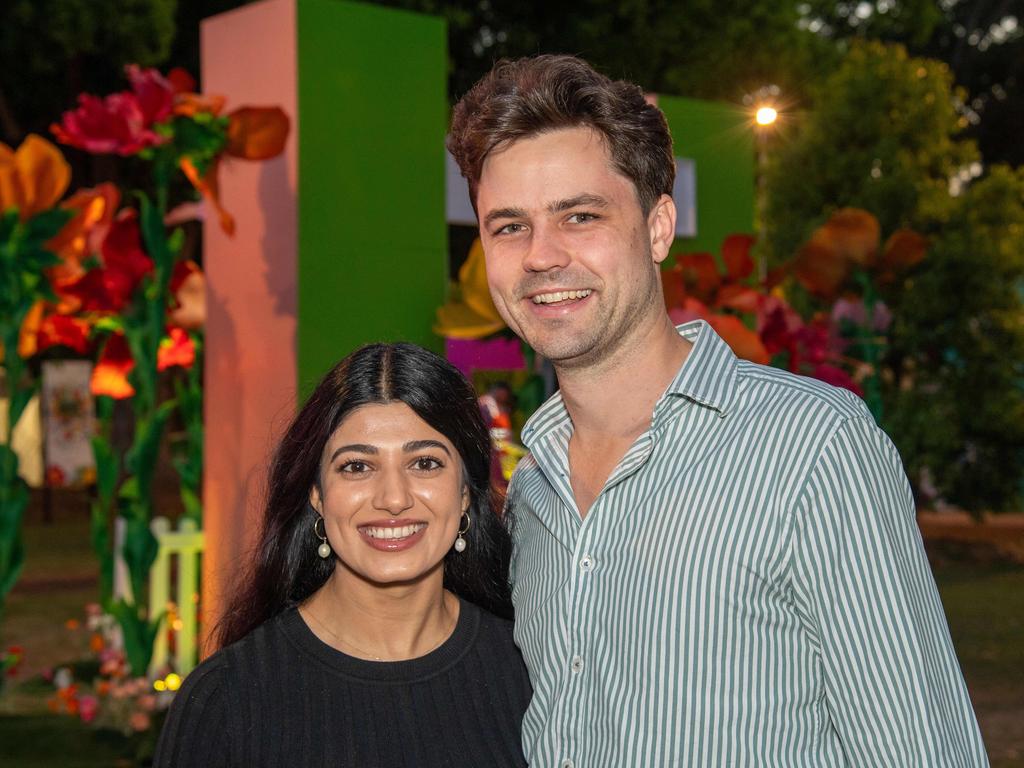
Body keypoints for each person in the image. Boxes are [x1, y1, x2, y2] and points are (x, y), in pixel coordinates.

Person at [448, 54, 989, 767]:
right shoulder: (533, 490)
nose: (542, 256)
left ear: (658, 227)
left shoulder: (813, 449)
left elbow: (922, 749)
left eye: (581, 216)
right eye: (508, 227)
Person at [154, 343, 531, 767]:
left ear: (465, 492)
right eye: (357, 467)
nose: (393, 499)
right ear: (316, 493)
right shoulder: (227, 698)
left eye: (425, 463)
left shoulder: (530, 675)